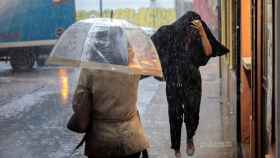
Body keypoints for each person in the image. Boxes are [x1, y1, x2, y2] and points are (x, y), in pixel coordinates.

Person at [151, 11, 229, 157]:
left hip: (192, 80)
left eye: (196, 27)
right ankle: (176, 147)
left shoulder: (197, 35)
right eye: (191, 27)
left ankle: (189, 138)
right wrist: (160, 71)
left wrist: (202, 32)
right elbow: (153, 51)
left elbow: (208, 51)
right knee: (174, 113)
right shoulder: (168, 34)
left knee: (192, 111)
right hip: (173, 80)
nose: (192, 31)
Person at [67, 68, 149, 158]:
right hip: (132, 139)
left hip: (101, 141)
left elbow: (79, 104)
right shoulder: (134, 67)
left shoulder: (90, 69)